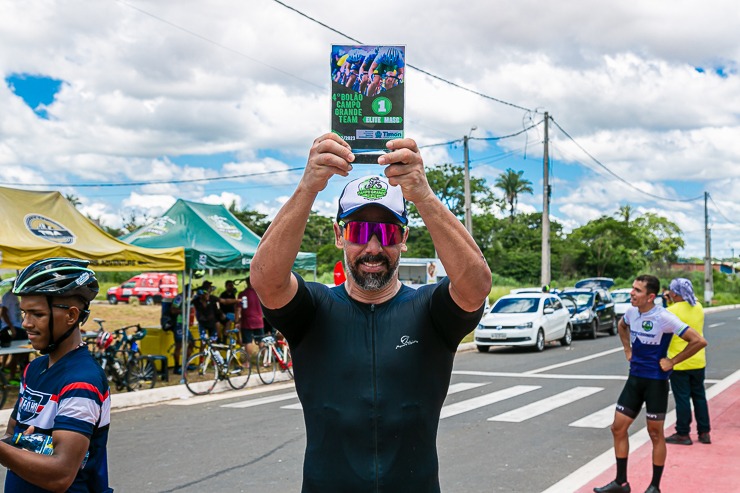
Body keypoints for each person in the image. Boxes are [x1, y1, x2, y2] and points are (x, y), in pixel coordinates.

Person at [250, 134, 492, 492]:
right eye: (361, 231)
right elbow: (266, 281)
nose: (374, 247)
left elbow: (476, 286)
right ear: (339, 234)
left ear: (404, 237)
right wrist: (308, 187)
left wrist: (423, 195)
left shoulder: (429, 311)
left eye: (387, 232)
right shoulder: (314, 311)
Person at [0, 258, 112, 492]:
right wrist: (28, 442)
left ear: (71, 316)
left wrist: (24, 445)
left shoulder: (82, 382)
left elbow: (60, 475)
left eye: (36, 314)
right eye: (23, 312)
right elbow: (13, 434)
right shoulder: (35, 368)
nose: (25, 323)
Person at [594, 274, 707, 493]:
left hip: (656, 383)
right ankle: (621, 482)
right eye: (632, 288)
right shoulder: (630, 312)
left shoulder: (664, 317)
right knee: (618, 428)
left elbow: (699, 341)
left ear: (650, 296)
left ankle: (654, 486)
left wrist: (673, 361)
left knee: (655, 434)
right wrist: (627, 350)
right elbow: (621, 325)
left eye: (637, 290)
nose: (631, 293)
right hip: (635, 380)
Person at [664, 277, 711, 446]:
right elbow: (689, 302)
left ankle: (683, 433)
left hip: (679, 361)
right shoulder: (698, 307)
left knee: (682, 398)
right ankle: (704, 432)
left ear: (674, 293)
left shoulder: (672, 311)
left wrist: (668, 302)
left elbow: (667, 326)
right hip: (698, 360)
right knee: (699, 396)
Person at [0, 290, 29, 385]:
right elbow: (3, 312)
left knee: (21, 350)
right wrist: (11, 327)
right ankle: (12, 375)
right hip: (12, 327)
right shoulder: (9, 296)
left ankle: (8, 367)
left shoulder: (15, 296)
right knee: (19, 351)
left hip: (16, 326)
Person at [236, 277, 264, 355]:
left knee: (248, 341)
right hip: (259, 320)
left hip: (247, 321)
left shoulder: (243, 294)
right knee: (261, 340)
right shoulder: (260, 293)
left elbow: (238, 309)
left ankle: (248, 362)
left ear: (247, 283)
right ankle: (265, 360)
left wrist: (237, 320)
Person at [171, 284, 194, 374]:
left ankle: (186, 364)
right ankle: (176, 367)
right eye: (192, 291)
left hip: (184, 324)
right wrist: (183, 311)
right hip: (178, 324)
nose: (193, 293)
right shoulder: (179, 298)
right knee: (179, 345)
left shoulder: (187, 300)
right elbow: (173, 310)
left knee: (192, 342)